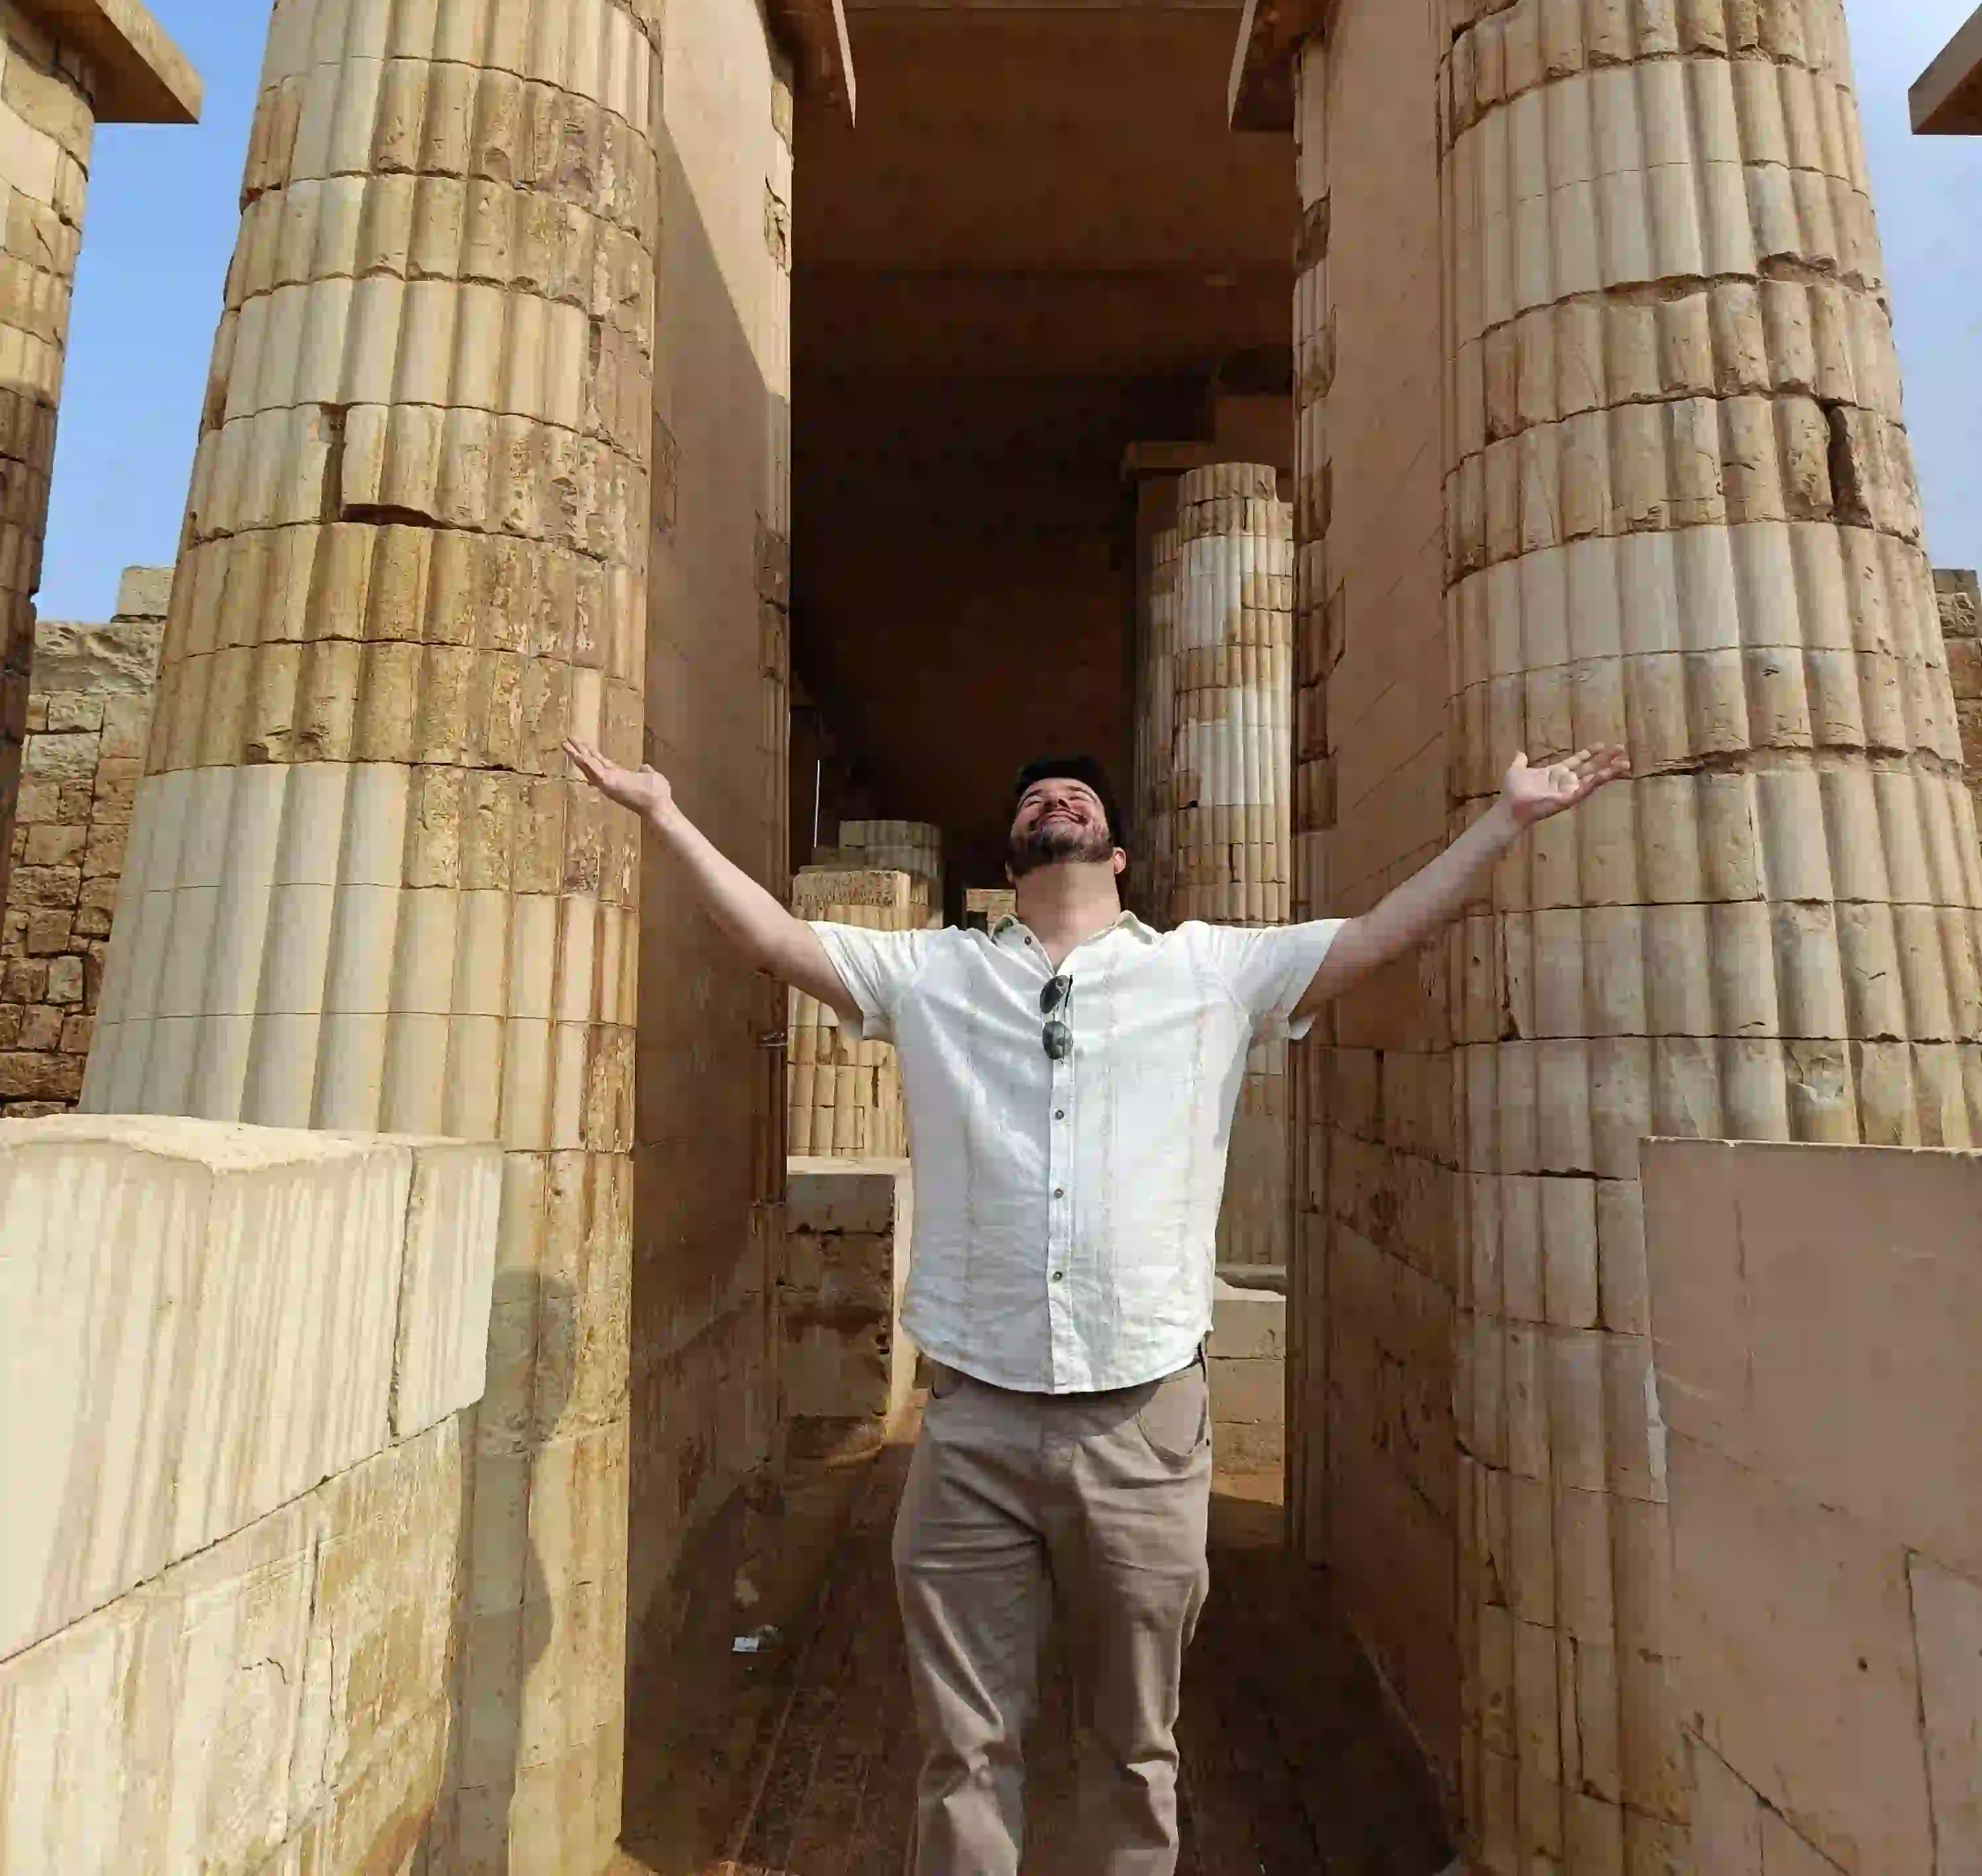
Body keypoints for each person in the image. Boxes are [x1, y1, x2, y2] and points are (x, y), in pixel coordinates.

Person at [564, 733, 1628, 1876]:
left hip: (1144, 1424)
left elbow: (1374, 939)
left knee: (1134, 1746)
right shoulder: (935, 975)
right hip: (971, 1423)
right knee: (963, 1751)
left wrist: (1506, 820)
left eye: (1076, 794)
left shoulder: (1209, 969)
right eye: (1034, 794)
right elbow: (773, 937)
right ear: (1016, 854)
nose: (1055, 796)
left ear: (1118, 854)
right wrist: (665, 816)